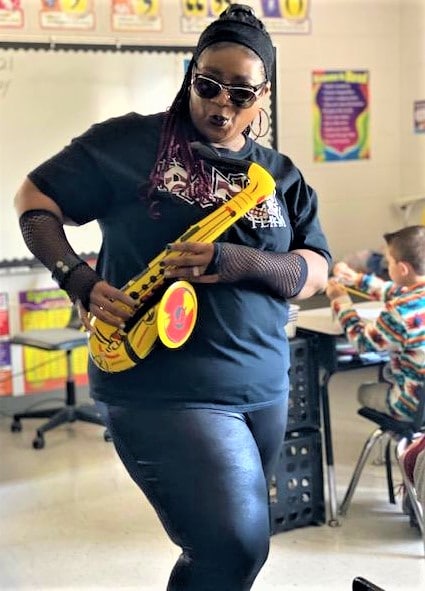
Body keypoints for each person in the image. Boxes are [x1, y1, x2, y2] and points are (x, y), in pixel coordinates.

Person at [14, 5, 330, 590]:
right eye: (208, 85)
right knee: (232, 547)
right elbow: (34, 201)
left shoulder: (279, 175)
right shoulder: (128, 144)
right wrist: (77, 280)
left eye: (241, 93)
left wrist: (239, 261)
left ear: (263, 96)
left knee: (232, 557)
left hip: (263, 385)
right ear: (191, 76)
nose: (222, 104)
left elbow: (313, 271)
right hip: (160, 387)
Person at [327, 225, 425, 421]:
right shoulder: (411, 298)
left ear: (403, 269)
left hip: (413, 405)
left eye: (389, 262)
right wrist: (356, 279)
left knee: (364, 391)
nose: (387, 267)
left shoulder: (400, 311)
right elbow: (394, 291)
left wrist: (341, 302)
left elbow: (363, 343)